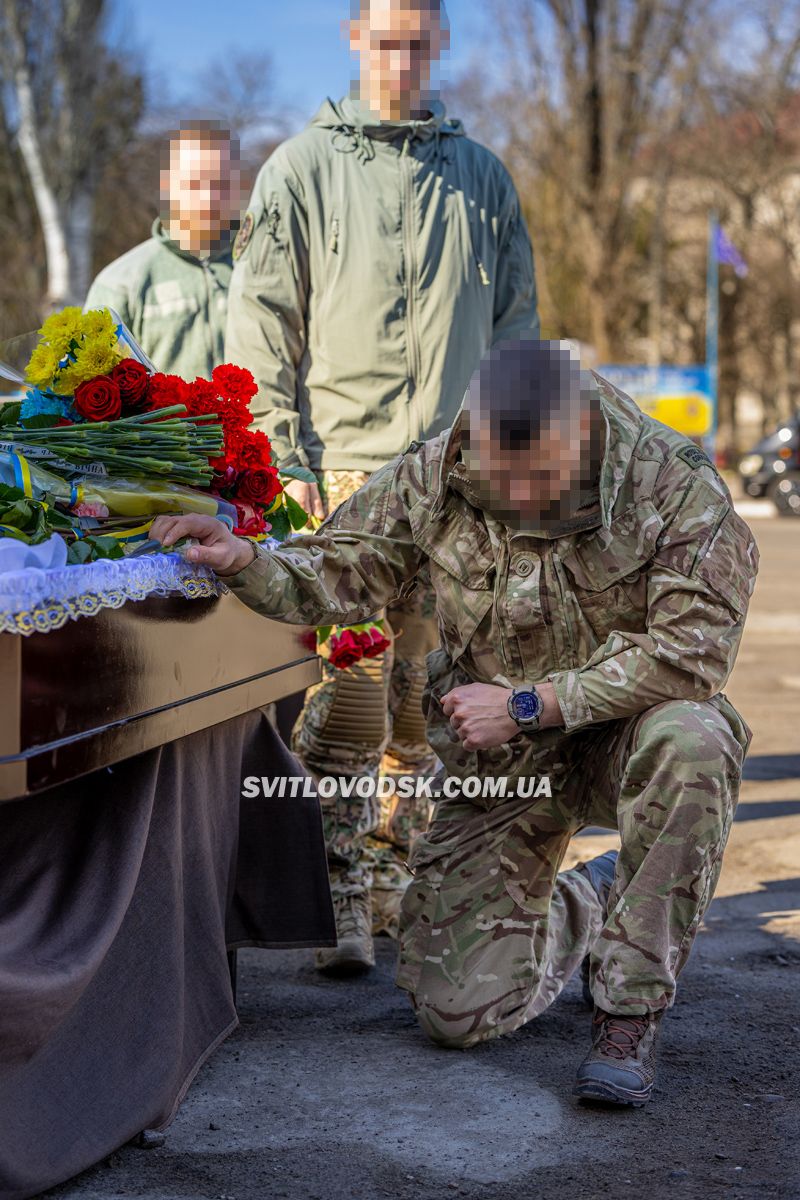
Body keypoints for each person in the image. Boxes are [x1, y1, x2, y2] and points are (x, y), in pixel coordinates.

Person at [150, 337, 758, 1107]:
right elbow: (342, 568)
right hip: (501, 763)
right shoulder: (443, 468)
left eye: (536, 475)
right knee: (456, 1013)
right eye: (494, 474)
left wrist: (530, 704)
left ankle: (627, 1011)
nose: (513, 495)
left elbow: (693, 652)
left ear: (581, 430)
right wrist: (247, 561)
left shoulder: (670, 485)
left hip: (624, 739)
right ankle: (592, 899)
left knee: (695, 737)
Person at [226, 0, 539, 969]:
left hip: (456, 486)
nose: (400, 59)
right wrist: (287, 461)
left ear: (436, 45)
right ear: (355, 41)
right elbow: (261, 324)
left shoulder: (479, 177)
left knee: (426, 711)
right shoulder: (301, 171)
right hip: (348, 476)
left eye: (417, 42)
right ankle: (339, 906)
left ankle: (402, 890)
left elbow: (515, 333)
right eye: (385, 41)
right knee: (349, 702)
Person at [85, 121, 242, 379]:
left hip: (253, 420)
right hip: (169, 420)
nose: (208, 198)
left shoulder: (254, 266)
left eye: (220, 184)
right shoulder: (120, 282)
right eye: (195, 184)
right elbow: (91, 382)